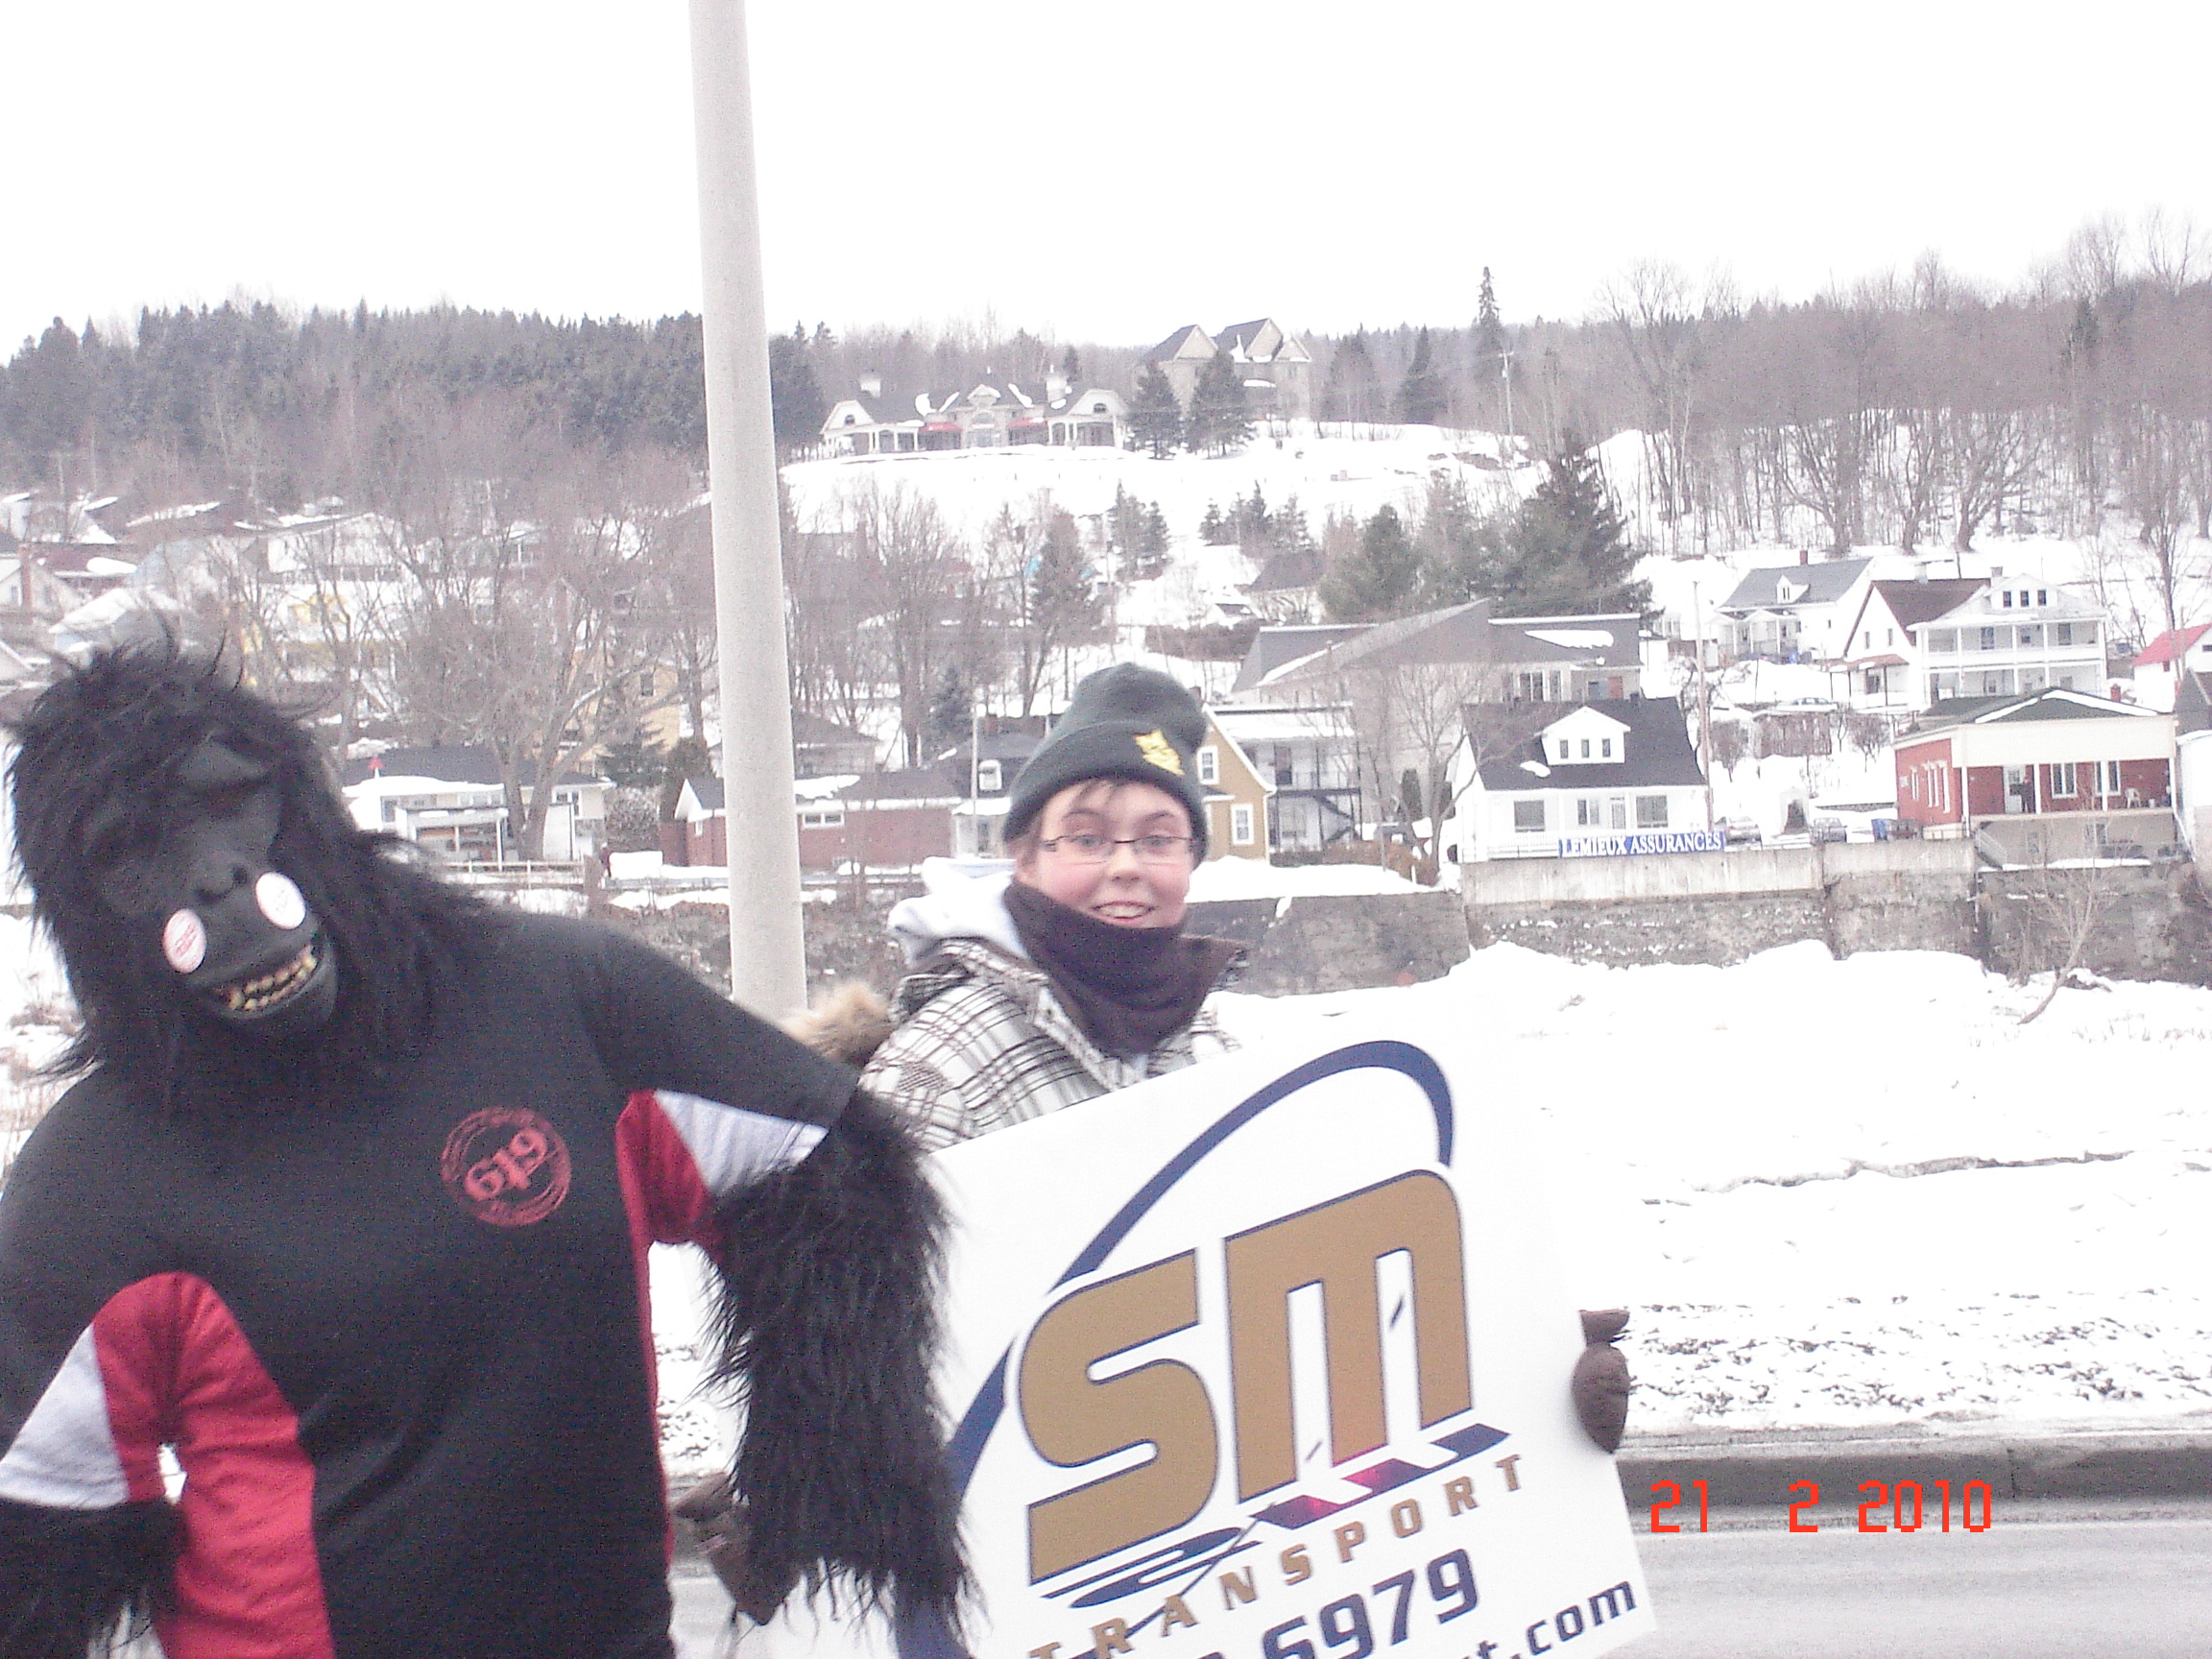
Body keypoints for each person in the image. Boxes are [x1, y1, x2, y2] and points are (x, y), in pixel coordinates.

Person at [0, 649, 960, 1658]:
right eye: (133, 853)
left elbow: (832, 1176)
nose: (222, 880)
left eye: (232, 804)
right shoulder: (99, 1180)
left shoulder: (560, 1002)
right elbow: (27, 1541)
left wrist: (821, 1485)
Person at [819, 664, 1239, 1152]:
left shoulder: (1221, 1046)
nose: (1127, 866)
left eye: (1158, 839)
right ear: (1025, 856)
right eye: (1087, 838)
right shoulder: (932, 1077)